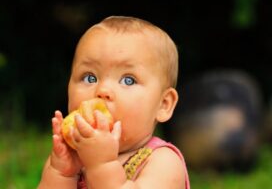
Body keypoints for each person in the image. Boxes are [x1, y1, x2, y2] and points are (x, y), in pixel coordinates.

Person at [38, 15, 190, 189]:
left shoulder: (163, 163)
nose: (102, 90)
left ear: (163, 104)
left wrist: (102, 166)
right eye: (89, 77)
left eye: (128, 80)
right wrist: (61, 174)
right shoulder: (72, 159)